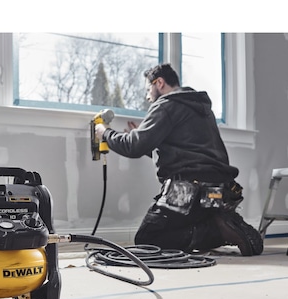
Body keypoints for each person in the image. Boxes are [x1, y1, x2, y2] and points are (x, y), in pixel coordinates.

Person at [94, 63, 263, 256]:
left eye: (148, 89)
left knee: (148, 238)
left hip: (188, 191)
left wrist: (105, 133)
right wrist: (144, 139)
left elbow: (134, 146)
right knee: (179, 225)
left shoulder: (166, 105)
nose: (147, 96)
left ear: (159, 82)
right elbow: (183, 152)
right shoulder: (200, 108)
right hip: (220, 191)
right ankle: (222, 223)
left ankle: (216, 230)